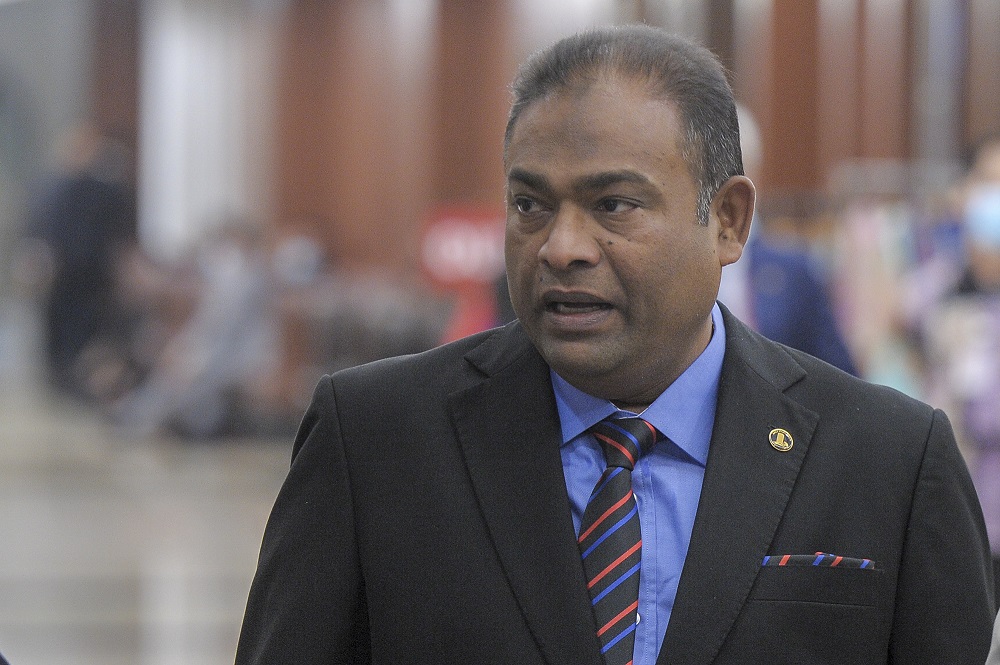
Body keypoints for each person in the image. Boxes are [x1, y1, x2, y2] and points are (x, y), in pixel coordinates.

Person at [236, 26, 994, 664]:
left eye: (614, 204)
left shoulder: (889, 461)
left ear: (728, 220)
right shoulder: (375, 441)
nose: (561, 247)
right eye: (530, 204)